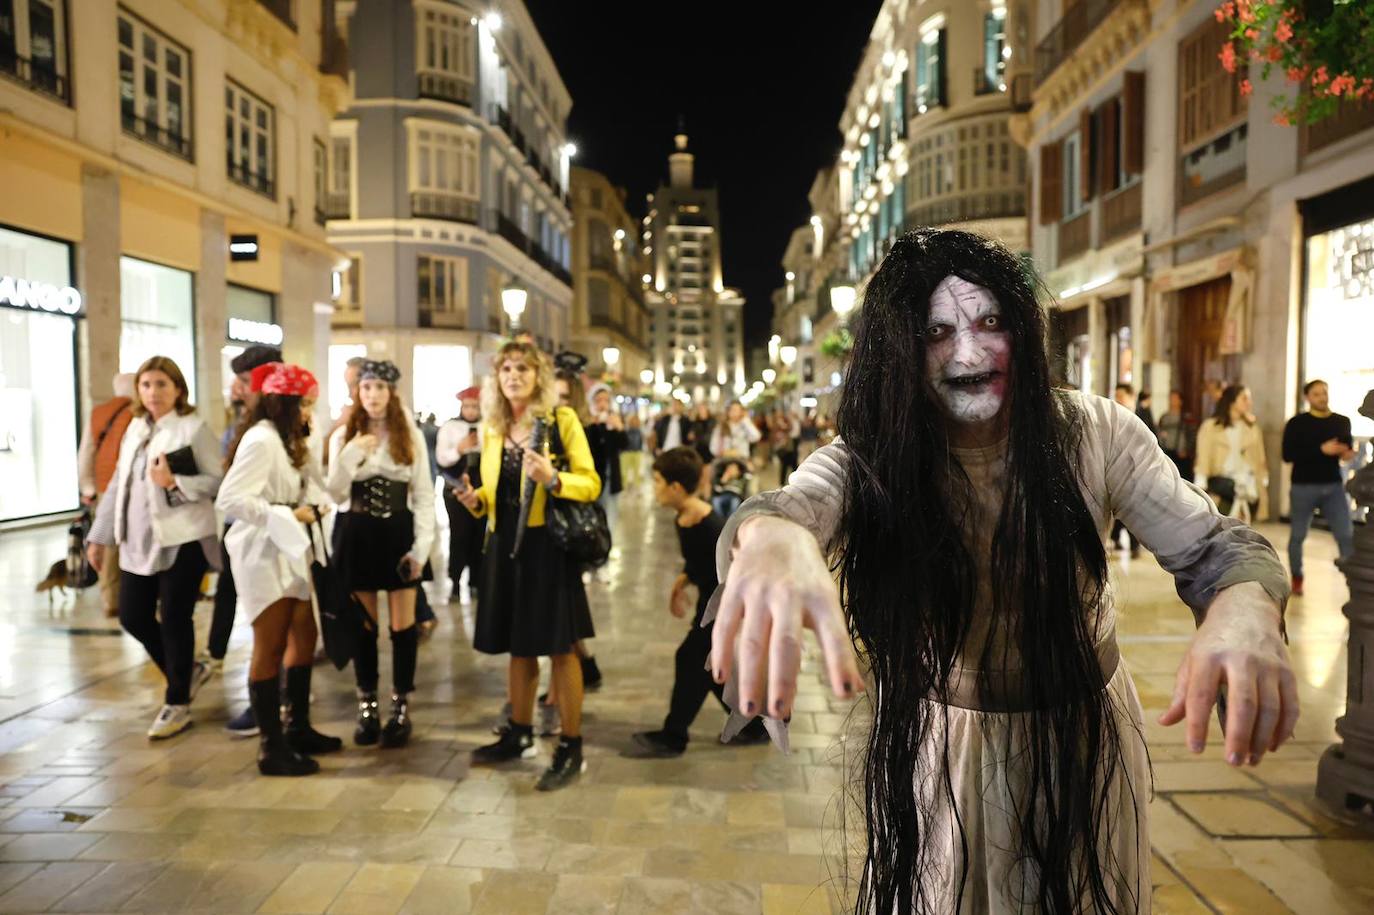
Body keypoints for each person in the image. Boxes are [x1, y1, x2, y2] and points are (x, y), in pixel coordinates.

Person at [708, 230, 1295, 914]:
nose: (970, 350)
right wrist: (773, 536)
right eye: (936, 330)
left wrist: (1245, 604)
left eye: (990, 322)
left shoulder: (1098, 431)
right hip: (938, 753)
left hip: (1084, 743)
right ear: (902, 349)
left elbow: (1215, 547)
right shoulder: (873, 454)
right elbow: (787, 507)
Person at [456, 341, 601, 791]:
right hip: (504, 546)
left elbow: (591, 483)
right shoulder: (495, 426)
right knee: (519, 647)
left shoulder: (560, 420)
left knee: (560, 647)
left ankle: (570, 747)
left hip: (548, 547)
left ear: (538, 375)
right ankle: (519, 732)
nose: (513, 375)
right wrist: (475, 501)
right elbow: (495, 493)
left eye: (522, 368)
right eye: (505, 369)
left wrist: (554, 478)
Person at [86, 356, 224, 740]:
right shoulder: (134, 427)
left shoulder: (192, 428)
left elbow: (217, 480)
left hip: (182, 538)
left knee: (176, 617)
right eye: (146, 385)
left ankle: (176, 702)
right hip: (136, 539)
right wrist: (99, 537)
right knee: (132, 616)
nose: (153, 393)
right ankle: (188, 672)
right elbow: (117, 484)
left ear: (178, 389)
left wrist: (175, 482)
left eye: (161, 384)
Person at [217, 363, 341, 776]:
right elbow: (230, 500)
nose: (310, 413)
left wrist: (315, 501)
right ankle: (271, 747)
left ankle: (298, 727)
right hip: (263, 554)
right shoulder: (262, 440)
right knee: (269, 645)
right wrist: (289, 512)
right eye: (306, 404)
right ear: (287, 403)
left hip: (289, 549)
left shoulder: (287, 439)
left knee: (304, 635)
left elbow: (310, 482)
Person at [326, 360, 436, 749]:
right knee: (363, 627)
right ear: (357, 392)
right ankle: (367, 706)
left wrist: (421, 549)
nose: (371, 395)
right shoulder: (345, 435)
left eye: (379, 388)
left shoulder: (409, 435)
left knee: (403, 628)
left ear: (392, 393)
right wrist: (350, 453)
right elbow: (334, 493)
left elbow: (423, 495)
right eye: (365, 387)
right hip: (357, 532)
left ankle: (401, 706)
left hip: (398, 532)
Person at [632, 447, 767, 757]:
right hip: (711, 603)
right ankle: (753, 725)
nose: (653, 487)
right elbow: (699, 563)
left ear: (676, 488)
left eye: (656, 481)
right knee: (706, 667)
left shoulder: (711, 526)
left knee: (691, 658)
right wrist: (682, 581)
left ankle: (674, 736)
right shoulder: (684, 517)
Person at [202, 344, 282, 738]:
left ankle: (270, 704)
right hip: (243, 531)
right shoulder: (245, 424)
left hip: (268, 533)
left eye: (246, 380)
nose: (239, 388)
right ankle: (274, 700)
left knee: (270, 623)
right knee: (262, 619)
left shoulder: (274, 427)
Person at [1282, 379, 1356, 596]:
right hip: (1303, 486)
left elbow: (1347, 452)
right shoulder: (1296, 423)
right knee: (1298, 535)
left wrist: (1346, 454)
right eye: (1316, 394)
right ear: (1307, 398)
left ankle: (1353, 580)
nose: (1322, 397)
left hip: (1333, 486)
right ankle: (1297, 576)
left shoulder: (1341, 422)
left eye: (1324, 392)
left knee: (1345, 534)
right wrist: (1320, 450)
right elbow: (1287, 455)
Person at [76, 373, 136, 618]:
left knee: (108, 542)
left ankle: (110, 599)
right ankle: (131, 597)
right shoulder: (138, 413)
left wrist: (87, 486)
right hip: (129, 483)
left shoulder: (99, 412)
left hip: (103, 484)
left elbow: (87, 451)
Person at [436, 386, 486, 601]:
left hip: (481, 486)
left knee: (479, 534)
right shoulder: (449, 427)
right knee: (459, 533)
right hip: (456, 486)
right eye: (467, 406)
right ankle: (455, 581)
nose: (471, 411)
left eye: (475, 407)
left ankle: (476, 580)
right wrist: (460, 448)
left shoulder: (488, 427)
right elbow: (442, 459)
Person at [1195, 384, 1269, 524]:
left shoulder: (1252, 427)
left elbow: (1260, 457)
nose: (1249, 403)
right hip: (1223, 484)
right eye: (1244, 398)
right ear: (1232, 401)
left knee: (1244, 530)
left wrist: (1263, 478)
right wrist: (1201, 479)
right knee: (1221, 527)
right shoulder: (1211, 426)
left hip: (1249, 485)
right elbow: (1203, 454)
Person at [585, 383, 628, 540]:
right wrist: (594, 425)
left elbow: (624, 445)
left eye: (606, 400)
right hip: (594, 477)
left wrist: (619, 428)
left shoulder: (614, 420)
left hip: (612, 478)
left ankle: (606, 544)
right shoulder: (587, 422)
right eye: (599, 400)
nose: (602, 404)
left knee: (611, 515)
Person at [1109, 386, 1142, 557]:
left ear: (1131, 396)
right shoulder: (1113, 416)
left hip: (1135, 470)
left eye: (1121, 395)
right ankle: (1118, 539)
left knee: (1130, 510)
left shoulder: (1141, 416)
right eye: (1116, 396)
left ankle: (1134, 545)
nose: (1117, 399)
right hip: (1118, 469)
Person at [1157, 389, 1194, 481]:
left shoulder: (1186, 417)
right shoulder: (1164, 417)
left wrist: (1187, 449)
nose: (1172, 401)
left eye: (1175, 398)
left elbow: (1191, 434)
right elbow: (1159, 432)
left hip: (1182, 454)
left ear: (1180, 401)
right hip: (1167, 452)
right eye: (1171, 398)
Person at [622, 413, 646, 489]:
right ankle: (624, 486)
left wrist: (641, 450)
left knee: (637, 471)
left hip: (637, 452)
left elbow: (641, 441)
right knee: (624, 471)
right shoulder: (625, 430)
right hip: (626, 452)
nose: (634, 422)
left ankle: (637, 487)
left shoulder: (639, 430)